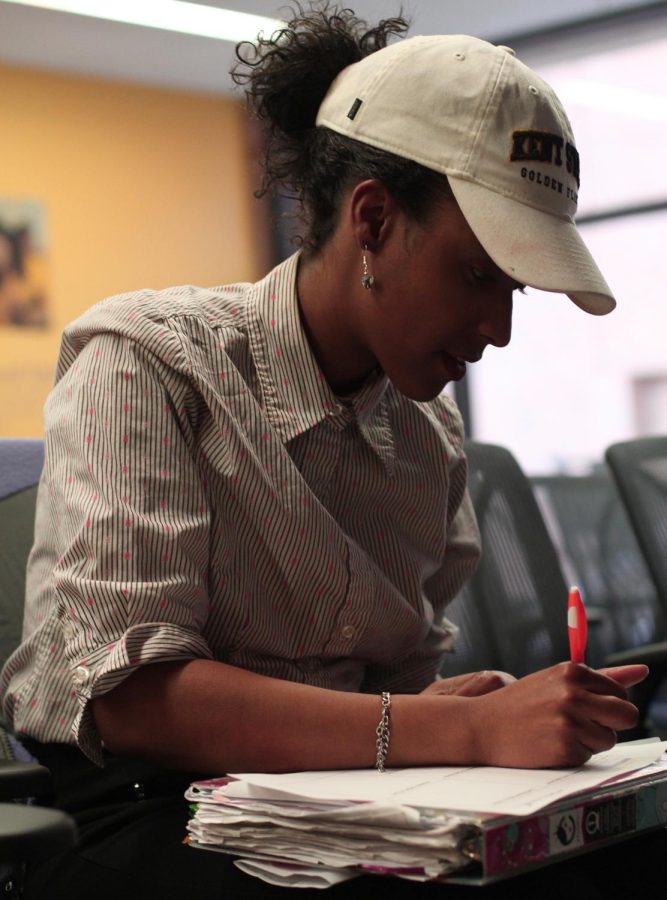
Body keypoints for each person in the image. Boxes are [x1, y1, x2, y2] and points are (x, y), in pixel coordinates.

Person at [0, 4, 659, 899]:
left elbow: (389, 698)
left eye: (514, 292)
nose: (497, 329)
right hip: (144, 810)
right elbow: (128, 695)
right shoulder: (152, 363)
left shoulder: (428, 441)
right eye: (476, 275)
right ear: (373, 218)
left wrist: (453, 712)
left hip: (334, 802)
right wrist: (455, 734)